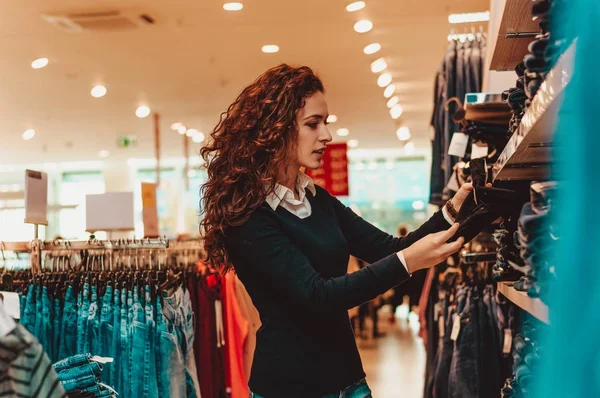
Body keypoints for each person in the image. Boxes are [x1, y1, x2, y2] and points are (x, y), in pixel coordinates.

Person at [200, 64, 472, 398]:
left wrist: (456, 209)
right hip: (289, 388)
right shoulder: (247, 216)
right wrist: (407, 262)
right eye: (313, 124)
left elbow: (389, 247)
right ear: (277, 128)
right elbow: (318, 296)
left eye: (325, 123)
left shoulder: (318, 199)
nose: (326, 135)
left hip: (348, 380)